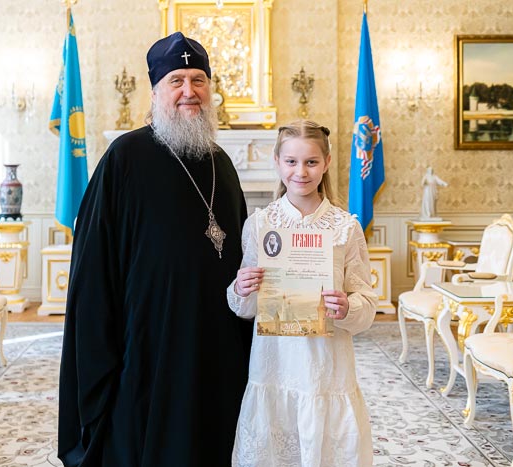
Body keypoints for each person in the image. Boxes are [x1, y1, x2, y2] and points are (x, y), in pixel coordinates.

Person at [58, 32, 253, 467]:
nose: (189, 91)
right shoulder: (124, 158)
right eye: (176, 81)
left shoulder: (221, 162)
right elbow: (93, 268)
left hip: (217, 345)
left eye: (198, 80)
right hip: (150, 346)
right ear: (155, 92)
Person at [226, 120, 378, 466]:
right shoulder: (260, 224)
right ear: (277, 162)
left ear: (326, 163)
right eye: (291, 161)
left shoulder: (345, 227)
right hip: (275, 364)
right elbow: (245, 307)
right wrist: (241, 287)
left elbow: (366, 301)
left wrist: (348, 306)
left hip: (327, 366)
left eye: (311, 162)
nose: (301, 172)